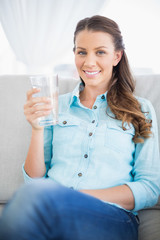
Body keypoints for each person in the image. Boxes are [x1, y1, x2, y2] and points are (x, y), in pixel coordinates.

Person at [0, 15, 160, 240]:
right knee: (30, 199)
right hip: (48, 209)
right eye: (81, 52)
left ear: (117, 56)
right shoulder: (57, 105)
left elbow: (149, 188)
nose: (89, 62)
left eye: (100, 52)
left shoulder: (141, 109)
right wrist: (37, 129)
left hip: (111, 217)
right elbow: (34, 180)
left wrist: (76, 198)